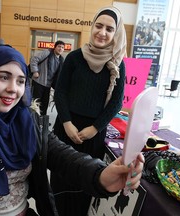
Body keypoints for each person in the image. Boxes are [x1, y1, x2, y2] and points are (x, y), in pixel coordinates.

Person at [0, 44, 144, 216]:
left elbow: (63, 156)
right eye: (3, 77)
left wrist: (101, 174)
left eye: (20, 81)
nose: (13, 89)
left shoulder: (26, 119)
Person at [50, 6, 127, 216]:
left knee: (86, 182)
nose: (102, 32)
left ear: (116, 33)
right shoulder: (74, 58)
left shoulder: (117, 64)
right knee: (60, 178)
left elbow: (116, 103)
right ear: (92, 27)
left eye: (109, 29)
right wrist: (66, 122)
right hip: (66, 127)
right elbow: (61, 92)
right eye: (98, 26)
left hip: (93, 133)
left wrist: (95, 128)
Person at [29, 40, 65, 115]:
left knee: (44, 105)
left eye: (62, 47)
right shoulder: (47, 53)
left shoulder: (61, 60)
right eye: (59, 46)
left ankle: (42, 121)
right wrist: (35, 71)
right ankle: (33, 120)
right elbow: (34, 59)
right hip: (39, 81)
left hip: (48, 85)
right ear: (55, 47)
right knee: (36, 103)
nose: (60, 48)